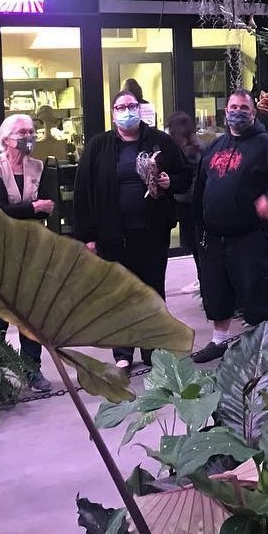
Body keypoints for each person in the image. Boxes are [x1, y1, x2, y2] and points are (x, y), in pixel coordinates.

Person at [74, 89, 189, 371]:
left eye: (132, 105)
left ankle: (152, 351)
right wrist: (87, 236)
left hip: (152, 233)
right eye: (121, 107)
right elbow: (82, 192)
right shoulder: (99, 145)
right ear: (113, 114)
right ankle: (123, 352)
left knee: (152, 291)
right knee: (119, 294)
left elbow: (186, 175)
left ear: (140, 109)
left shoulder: (159, 141)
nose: (127, 111)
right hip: (112, 235)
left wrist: (168, 181)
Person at [191, 90, 268, 363]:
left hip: (250, 235)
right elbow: (201, 185)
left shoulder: (266, 145)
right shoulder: (215, 147)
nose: (237, 111)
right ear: (225, 112)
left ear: (253, 113)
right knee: (217, 290)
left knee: (256, 290)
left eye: (243, 107)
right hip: (215, 236)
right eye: (233, 106)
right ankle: (218, 341)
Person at [0, 114, 56, 392]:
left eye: (31, 131)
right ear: (7, 139)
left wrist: (30, 211)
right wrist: (32, 209)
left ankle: (31, 370)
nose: (29, 136)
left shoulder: (40, 166)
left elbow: (50, 203)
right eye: (23, 132)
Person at [165, 110, 204, 294]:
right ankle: (202, 278)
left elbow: (193, 180)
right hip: (186, 202)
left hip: (192, 203)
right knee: (193, 243)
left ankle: (203, 280)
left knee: (196, 243)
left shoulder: (193, 151)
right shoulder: (193, 147)